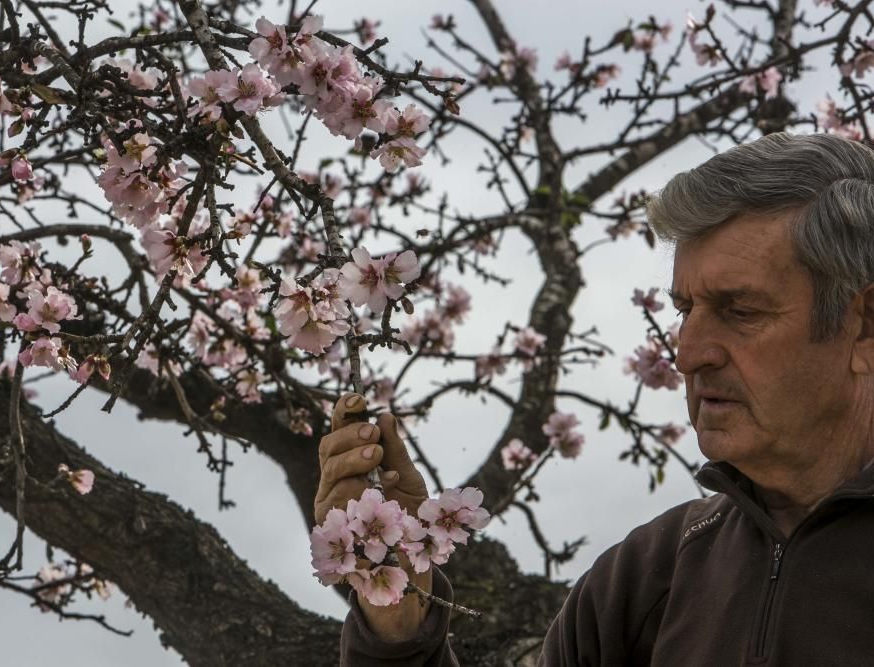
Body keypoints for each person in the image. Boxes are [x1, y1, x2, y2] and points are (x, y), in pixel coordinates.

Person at [315, 132, 874, 666]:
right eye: (684, 311)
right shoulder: (648, 575)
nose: (689, 354)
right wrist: (399, 630)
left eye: (741, 311)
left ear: (864, 326)